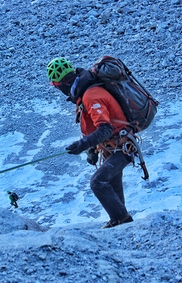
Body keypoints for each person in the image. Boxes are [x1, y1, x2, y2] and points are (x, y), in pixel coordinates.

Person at [46, 57, 134, 228]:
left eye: (56, 87)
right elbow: (95, 128)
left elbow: (105, 129)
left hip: (121, 147)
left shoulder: (91, 96)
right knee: (111, 183)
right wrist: (92, 151)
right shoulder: (84, 92)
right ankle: (120, 222)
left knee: (98, 182)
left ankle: (123, 220)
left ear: (60, 84)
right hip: (114, 147)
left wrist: (82, 145)